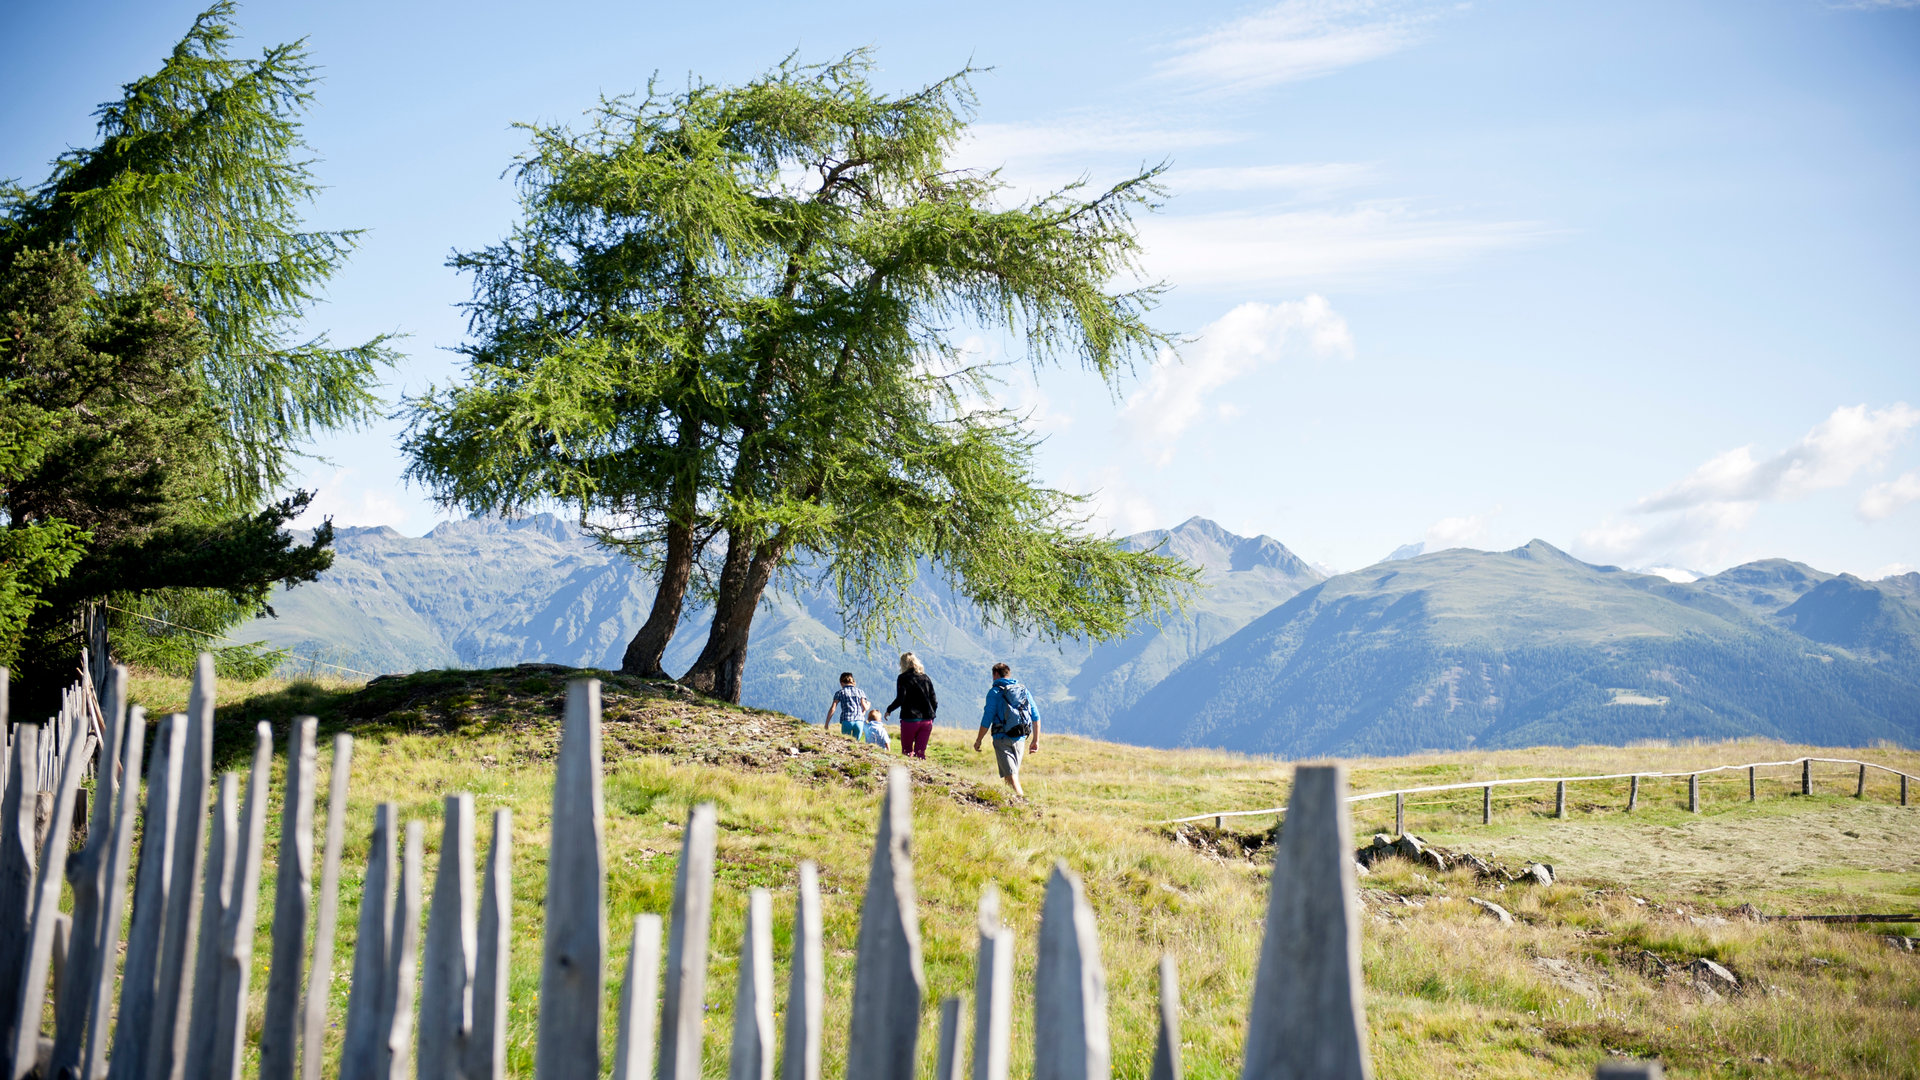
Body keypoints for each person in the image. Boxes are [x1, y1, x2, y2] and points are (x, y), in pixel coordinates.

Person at [973, 662, 1039, 797]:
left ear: (995, 674)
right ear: (1008, 674)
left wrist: (979, 740)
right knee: (1011, 775)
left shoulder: (995, 692)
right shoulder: (1023, 691)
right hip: (1020, 737)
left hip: (1002, 738)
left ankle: (1023, 805)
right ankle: (1012, 806)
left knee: (1011, 776)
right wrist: (1035, 740)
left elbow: (987, 718)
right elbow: (1036, 716)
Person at [884, 651, 939, 759]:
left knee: (907, 751)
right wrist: (931, 716)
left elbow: (901, 698)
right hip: (926, 720)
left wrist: (889, 709)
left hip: (910, 719)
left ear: (903, 664)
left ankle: (909, 774)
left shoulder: (902, 678)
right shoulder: (926, 678)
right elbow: (934, 700)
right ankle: (922, 772)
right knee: (920, 752)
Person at [823, 672, 869, 737]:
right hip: (859, 721)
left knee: (846, 742)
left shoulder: (840, 692)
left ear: (841, 683)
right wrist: (868, 705)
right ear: (853, 682)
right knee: (856, 744)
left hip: (847, 720)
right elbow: (865, 708)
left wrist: (827, 723)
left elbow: (833, 708)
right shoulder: (860, 692)